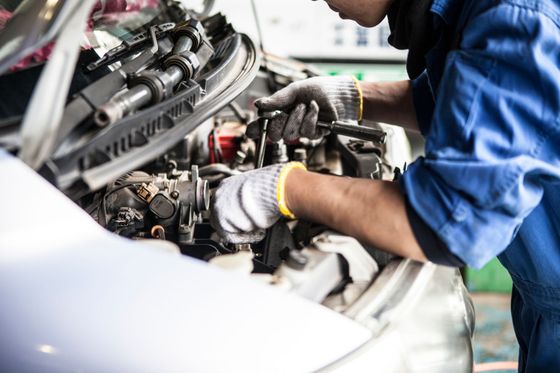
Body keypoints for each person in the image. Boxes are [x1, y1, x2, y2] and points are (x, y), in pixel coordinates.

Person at [210, 0, 560, 371]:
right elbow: (462, 101)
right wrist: (351, 99)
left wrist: (285, 189)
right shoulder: (477, 10)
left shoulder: (516, 17)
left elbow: (445, 221)